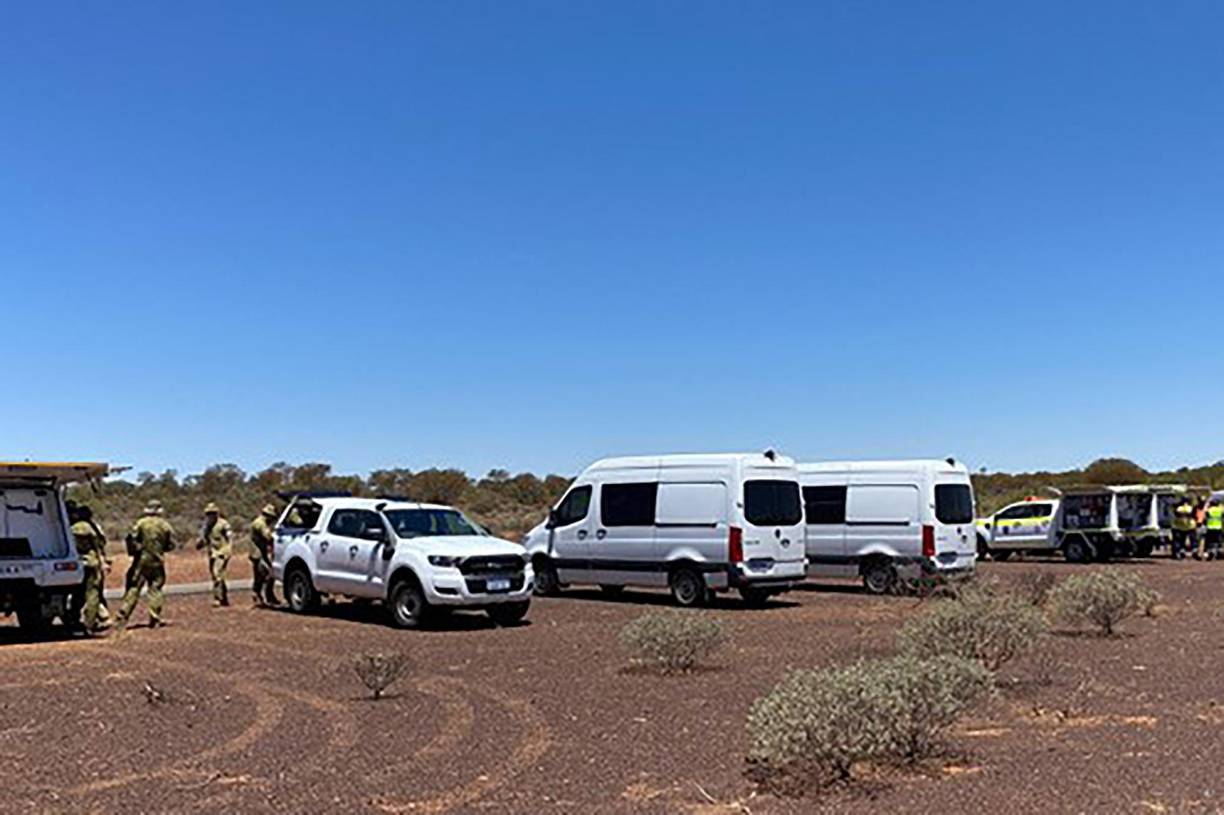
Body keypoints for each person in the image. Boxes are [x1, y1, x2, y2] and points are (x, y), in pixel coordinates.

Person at [115, 499, 176, 630]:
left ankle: (123, 616)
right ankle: (154, 618)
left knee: (134, 588)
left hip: (141, 561)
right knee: (156, 589)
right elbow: (171, 545)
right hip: (157, 561)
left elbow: (131, 538)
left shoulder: (141, 523)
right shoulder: (165, 526)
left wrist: (134, 550)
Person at [69, 503, 108, 634]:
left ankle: (72, 619)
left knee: (77, 593)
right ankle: (90, 623)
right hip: (92, 562)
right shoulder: (92, 528)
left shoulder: (71, 528)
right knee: (93, 593)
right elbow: (100, 544)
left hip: (78, 562)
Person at [197, 502, 232, 607]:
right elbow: (203, 539)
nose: (210, 516)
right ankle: (224, 597)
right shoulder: (206, 526)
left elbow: (230, 538)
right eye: (208, 514)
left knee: (217, 575)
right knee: (217, 576)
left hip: (222, 552)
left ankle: (218, 599)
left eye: (212, 513)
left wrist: (228, 551)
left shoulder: (223, 524)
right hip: (212, 553)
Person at [249, 503, 279, 607]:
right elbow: (267, 536)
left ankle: (265, 596)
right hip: (257, 554)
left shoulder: (261, 522)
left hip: (261, 553)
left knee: (261, 575)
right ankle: (260, 595)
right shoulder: (260, 523)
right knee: (265, 574)